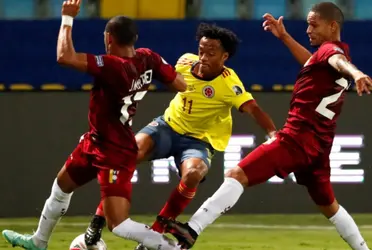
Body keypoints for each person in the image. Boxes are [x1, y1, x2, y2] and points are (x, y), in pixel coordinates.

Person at [163, 2, 372, 250]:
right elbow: (316, 62)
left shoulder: (333, 53)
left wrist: (357, 74)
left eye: (313, 24)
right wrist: (284, 36)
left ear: (332, 25)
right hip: (319, 146)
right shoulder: (333, 53)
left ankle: (192, 230)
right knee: (329, 206)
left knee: (236, 175)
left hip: (296, 139)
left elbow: (338, 62)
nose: (308, 30)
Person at [1, 1, 187, 250]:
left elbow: (64, 57)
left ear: (108, 38)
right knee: (62, 186)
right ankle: (38, 241)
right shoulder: (147, 58)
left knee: (118, 224)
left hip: (115, 152)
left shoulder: (113, 66)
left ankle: (172, 247)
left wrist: (67, 18)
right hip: (95, 141)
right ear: (134, 38)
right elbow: (181, 84)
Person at [84, 23, 277, 250]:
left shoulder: (229, 83)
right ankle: (97, 221)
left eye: (211, 53)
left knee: (193, 174)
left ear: (224, 56)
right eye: (201, 50)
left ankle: (157, 230)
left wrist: (273, 133)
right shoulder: (185, 61)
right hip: (167, 127)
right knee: (124, 156)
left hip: (199, 140)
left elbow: (254, 109)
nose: (203, 57)